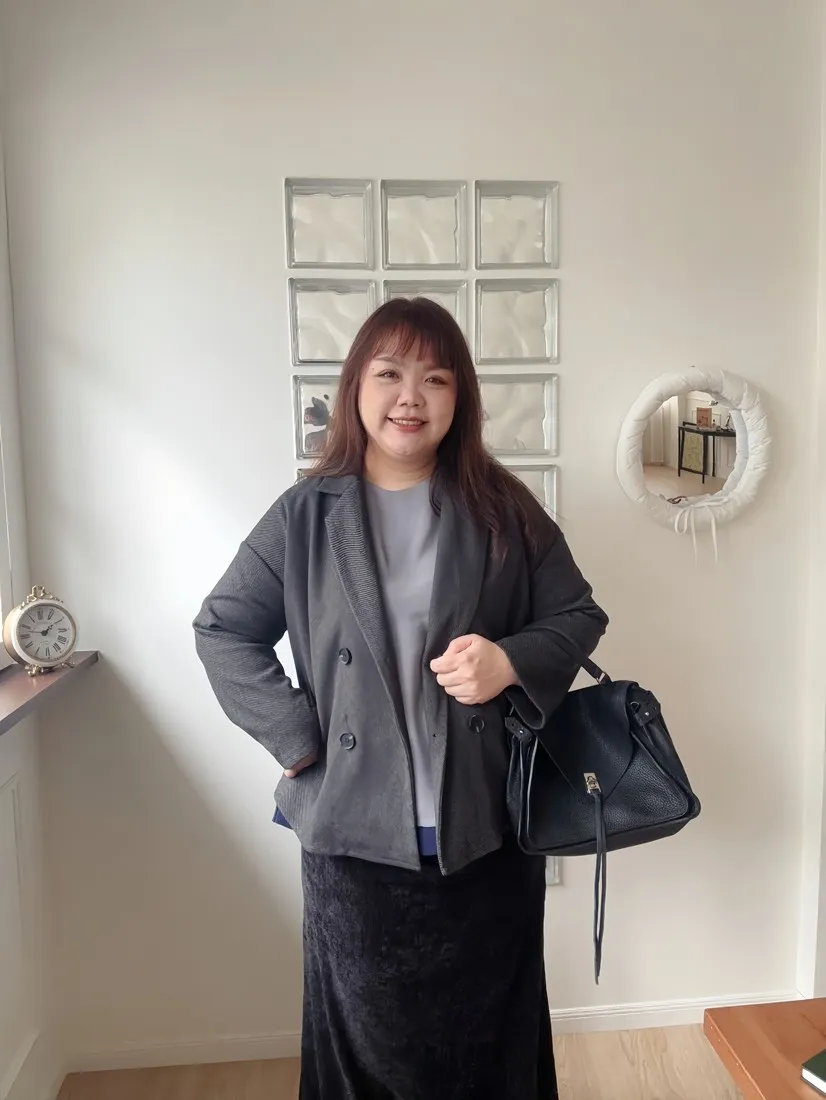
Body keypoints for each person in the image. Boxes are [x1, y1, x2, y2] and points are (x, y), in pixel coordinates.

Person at [193, 298, 608, 1100]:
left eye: (435, 378)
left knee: (493, 1045)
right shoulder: (305, 515)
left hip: (486, 833)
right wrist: (297, 739)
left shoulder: (501, 506)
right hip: (352, 843)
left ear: (460, 398)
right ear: (357, 386)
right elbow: (223, 630)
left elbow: (577, 614)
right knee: (365, 1056)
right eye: (389, 373)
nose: (410, 396)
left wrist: (508, 661)